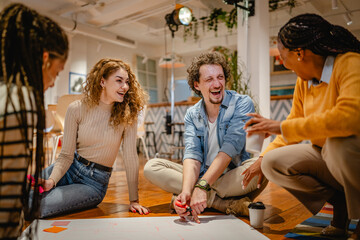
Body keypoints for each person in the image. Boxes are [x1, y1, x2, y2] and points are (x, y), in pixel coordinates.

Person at [242, 13, 360, 240]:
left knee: (337, 144)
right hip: (328, 156)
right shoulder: (304, 82)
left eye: (283, 57)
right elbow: (293, 127)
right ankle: (341, 204)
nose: (283, 64)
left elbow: (349, 118)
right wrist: (261, 159)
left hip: (349, 153)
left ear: (300, 53)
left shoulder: (350, 63)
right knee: (272, 163)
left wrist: (280, 126)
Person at [144, 52, 268, 223]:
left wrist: (202, 186)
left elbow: (229, 148)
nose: (217, 84)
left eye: (220, 77)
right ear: (197, 85)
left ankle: (200, 197)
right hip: (203, 176)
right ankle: (221, 203)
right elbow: (192, 154)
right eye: (209, 79)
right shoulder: (192, 114)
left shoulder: (242, 103)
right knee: (152, 166)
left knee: (264, 165)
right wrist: (187, 190)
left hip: (230, 176)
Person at [36, 58, 150, 218]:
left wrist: (134, 200)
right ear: (102, 81)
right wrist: (52, 181)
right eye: (119, 81)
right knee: (19, 192)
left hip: (93, 183)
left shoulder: (127, 115)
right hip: (70, 167)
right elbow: (66, 155)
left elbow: (131, 157)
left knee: (37, 206)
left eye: (127, 82)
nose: (125, 87)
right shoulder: (76, 109)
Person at [0, 3, 69, 239]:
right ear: (45, 59)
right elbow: (6, 202)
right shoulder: (20, 102)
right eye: (57, 72)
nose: (52, 83)